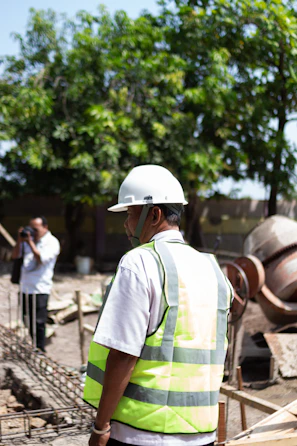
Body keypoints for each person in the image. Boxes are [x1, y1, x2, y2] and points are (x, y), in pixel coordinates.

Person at [84, 165, 233, 446]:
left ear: (154, 214)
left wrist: (101, 426)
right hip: (202, 434)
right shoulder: (214, 270)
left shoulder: (140, 262)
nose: (126, 224)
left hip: (140, 433)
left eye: (129, 214)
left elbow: (123, 354)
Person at [11, 215, 60, 352]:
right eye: (30, 228)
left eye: (35, 229)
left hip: (40, 288)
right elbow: (15, 256)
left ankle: (40, 349)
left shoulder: (52, 242)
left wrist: (30, 242)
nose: (32, 232)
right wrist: (20, 241)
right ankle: (33, 345)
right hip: (25, 287)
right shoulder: (26, 241)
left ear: (45, 227)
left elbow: (41, 259)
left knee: (38, 322)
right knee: (26, 319)